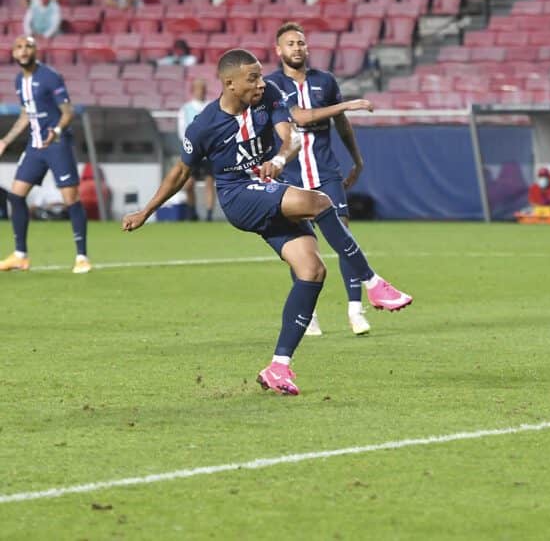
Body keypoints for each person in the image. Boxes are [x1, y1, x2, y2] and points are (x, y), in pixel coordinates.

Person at [123, 49, 403, 395]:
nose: (260, 82)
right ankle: (372, 282)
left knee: (312, 271)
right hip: (239, 197)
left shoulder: (268, 95)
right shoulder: (204, 127)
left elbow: (290, 140)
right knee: (319, 202)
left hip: (267, 187)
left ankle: (278, 367)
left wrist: (279, 158)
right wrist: (146, 212)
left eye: (259, 75)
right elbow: (180, 172)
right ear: (229, 84)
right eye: (252, 78)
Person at [264, 23, 413, 337]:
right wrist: (347, 104)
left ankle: (355, 311)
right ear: (279, 50)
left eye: (301, 43)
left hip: (326, 171)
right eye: (290, 43)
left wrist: (357, 159)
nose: (297, 48)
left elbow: (342, 125)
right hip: (291, 174)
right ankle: (310, 314)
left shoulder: (325, 81)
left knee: (343, 234)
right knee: (302, 244)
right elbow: (300, 117)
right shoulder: (272, 86)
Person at [0, 36, 91, 274]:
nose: (23, 51)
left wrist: (57, 130)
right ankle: (20, 255)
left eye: (28, 46)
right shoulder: (19, 80)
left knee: (71, 199)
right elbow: (25, 115)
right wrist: (5, 141)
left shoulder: (50, 76)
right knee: (16, 196)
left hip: (58, 144)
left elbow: (68, 112)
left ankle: (82, 257)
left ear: (35, 50)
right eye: (19, 47)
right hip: (35, 146)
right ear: (14, 53)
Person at [177, 77, 216, 221]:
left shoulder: (211, 107)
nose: (201, 91)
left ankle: (209, 215)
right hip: (193, 151)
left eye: (203, 88)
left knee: (209, 182)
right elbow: (182, 131)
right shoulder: (185, 109)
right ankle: (192, 212)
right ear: (193, 90)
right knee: (188, 183)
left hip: (208, 152)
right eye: (198, 88)